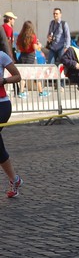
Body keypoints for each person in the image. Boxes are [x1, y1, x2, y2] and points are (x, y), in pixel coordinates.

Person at [0, 50, 23, 197]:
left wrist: (3, 81)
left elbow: (18, 76)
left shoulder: (1, 55)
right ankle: (15, 180)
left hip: (2, 105)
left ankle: (15, 180)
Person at [16, 20, 48, 98]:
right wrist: (39, 45)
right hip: (31, 56)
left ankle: (21, 92)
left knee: (23, 75)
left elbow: (17, 47)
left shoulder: (20, 36)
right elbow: (34, 47)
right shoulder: (32, 36)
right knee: (35, 74)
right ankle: (41, 92)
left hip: (22, 56)